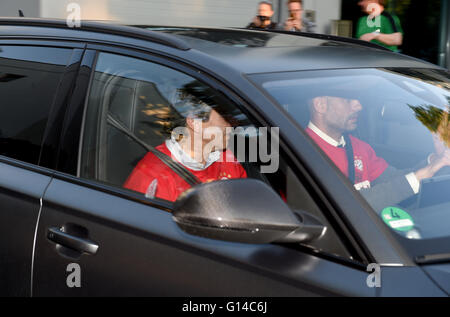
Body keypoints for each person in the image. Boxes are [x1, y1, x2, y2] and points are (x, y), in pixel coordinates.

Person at [306, 95, 450, 210]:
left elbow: (391, 179)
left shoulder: (358, 146)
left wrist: (435, 161)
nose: (359, 106)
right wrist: (425, 172)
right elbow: (345, 208)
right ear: (320, 105)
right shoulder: (302, 153)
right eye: (348, 99)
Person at [123, 98, 247, 202]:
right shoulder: (155, 177)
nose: (232, 126)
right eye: (225, 119)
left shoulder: (226, 158)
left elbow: (246, 202)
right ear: (194, 122)